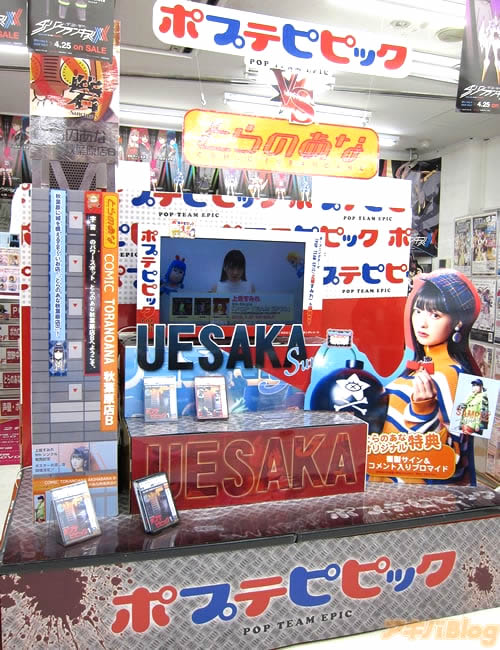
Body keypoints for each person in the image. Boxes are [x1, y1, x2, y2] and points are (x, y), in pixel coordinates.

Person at [372, 269, 481, 485]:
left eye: (435, 315)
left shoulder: (467, 379)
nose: (422, 323)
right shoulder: (418, 367)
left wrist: (424, 412)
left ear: (458, 322)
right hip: (387, 487)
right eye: (418, 311)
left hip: (418, 497)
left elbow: (456, 460)